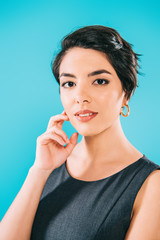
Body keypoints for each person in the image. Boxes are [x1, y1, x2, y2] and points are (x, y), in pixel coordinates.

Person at [0, 25, 160, 240]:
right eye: (69, 83)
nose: (80, 96)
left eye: (99, 81)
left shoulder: (152, 184)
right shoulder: (50, 166)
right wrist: (39, 170)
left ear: (126, 93)